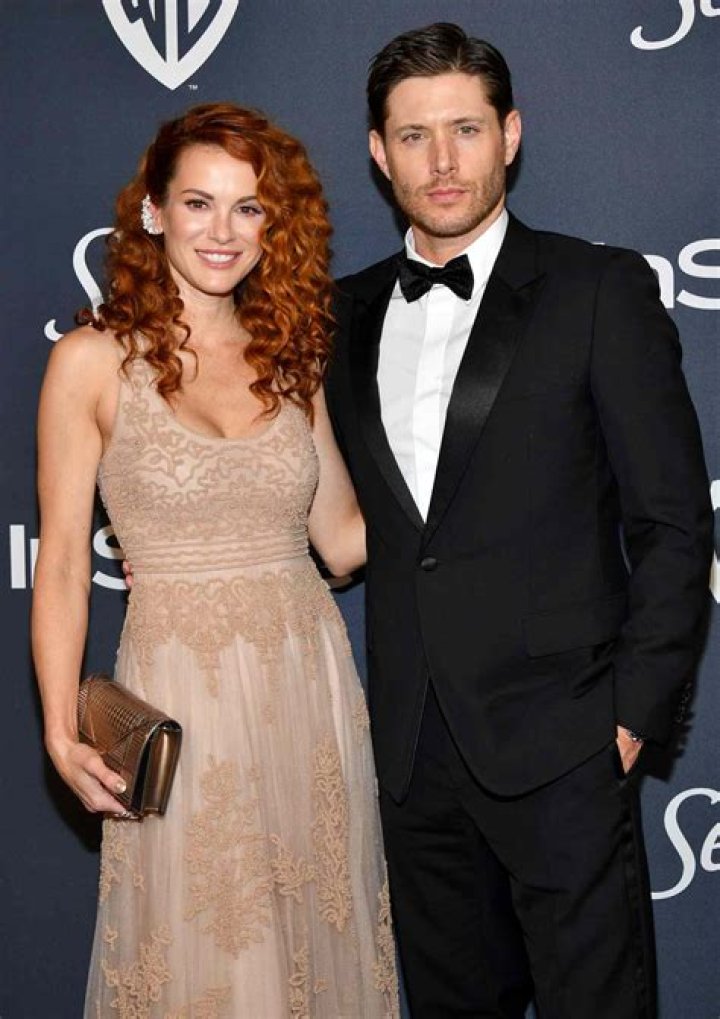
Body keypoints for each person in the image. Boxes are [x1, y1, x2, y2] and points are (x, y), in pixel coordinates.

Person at [326, 23, 713, 1019]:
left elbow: (673, 521)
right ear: (378, 152)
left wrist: (629, 715)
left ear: (510, 133)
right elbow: (330, 514)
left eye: (465, 129)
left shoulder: (597, 289)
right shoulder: (340, 315)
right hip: (412, 752)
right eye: (413, 135)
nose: (441, 161)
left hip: (565, 739)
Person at [32, 103, 398, 1018]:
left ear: (274, 224)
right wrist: (60, 728)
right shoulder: (90, 361)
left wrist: (468, 468)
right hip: (183, 699)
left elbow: (343, 538)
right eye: (199, 203)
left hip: (307, 688)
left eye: (249, 208)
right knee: (216, 964)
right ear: (153, 211)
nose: (222, 231)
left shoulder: (293, 358)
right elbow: (64, 563)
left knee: (316, 956)